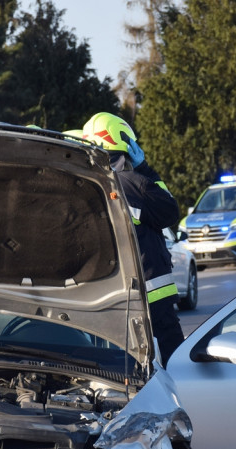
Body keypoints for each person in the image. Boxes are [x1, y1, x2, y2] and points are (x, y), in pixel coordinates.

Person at [81, 112, 186, 366]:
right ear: (126, 148)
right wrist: (145, 169)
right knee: (176, 366)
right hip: (153, 296)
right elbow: (170, 210)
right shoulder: (134, 183)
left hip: (103, 298)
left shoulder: (81, 187)